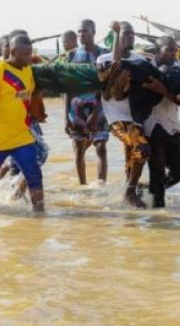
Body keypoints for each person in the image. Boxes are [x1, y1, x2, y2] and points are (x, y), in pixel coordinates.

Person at [0, 34, 43, 212]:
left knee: (34, 175)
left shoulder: (27, 70)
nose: (29, 57)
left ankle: (40, 216)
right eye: (25, 54)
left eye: (30, 53)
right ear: (13, 52)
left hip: (22, 137)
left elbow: (28, 94)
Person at [97, 21, 152, 208]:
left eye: (132, 33)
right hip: (116, 118)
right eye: (125, 33)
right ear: (116, 37)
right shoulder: (103, 59)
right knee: (142, 148)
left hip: (135, 117)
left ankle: (128, 212)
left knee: (133, 159)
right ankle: (130, 193)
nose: (130, 36)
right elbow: (107, 92)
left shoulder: (140, 60)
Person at [145, 36, 180, 209]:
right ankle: (158, 218)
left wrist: (164, 89)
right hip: (153, 125)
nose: (174, 53)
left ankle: (147, 190)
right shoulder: (147, 71)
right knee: (157, 172)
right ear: (157, 52)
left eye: (175, 49)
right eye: (169, 50)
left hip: (174, 124)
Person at [65, 19, 110, 185]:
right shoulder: (71, 55)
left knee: (101, 147)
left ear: (94, 32)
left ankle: (101, 186)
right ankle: (82, 187)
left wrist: (96, 111)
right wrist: (65, 118)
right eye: (79, 31)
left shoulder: (103, 54)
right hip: (76, 111)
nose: (81, 34)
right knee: (78, 151)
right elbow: (67, 88)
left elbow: (107, 86)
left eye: (85, 31)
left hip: (99, 107)